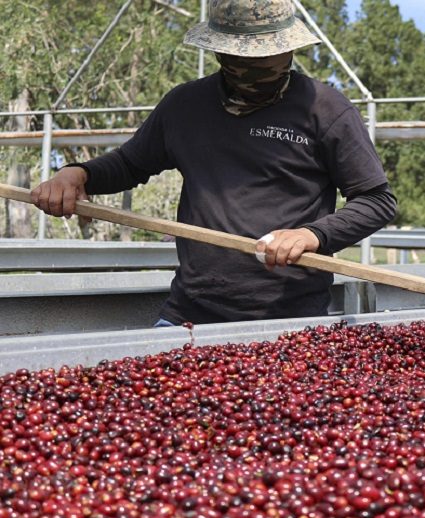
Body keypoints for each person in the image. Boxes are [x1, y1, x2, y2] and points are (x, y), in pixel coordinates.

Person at [31, 0, 396, 325]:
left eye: (265, 58)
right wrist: (78, 173)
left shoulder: (325, 109)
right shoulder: (185, 106)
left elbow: (376, 202)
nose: (254, 69)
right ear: (220, 52)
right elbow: (130, 164)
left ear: (289, 49)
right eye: (242, 60)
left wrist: (311, 235)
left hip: (290, 321)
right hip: (189, 314)